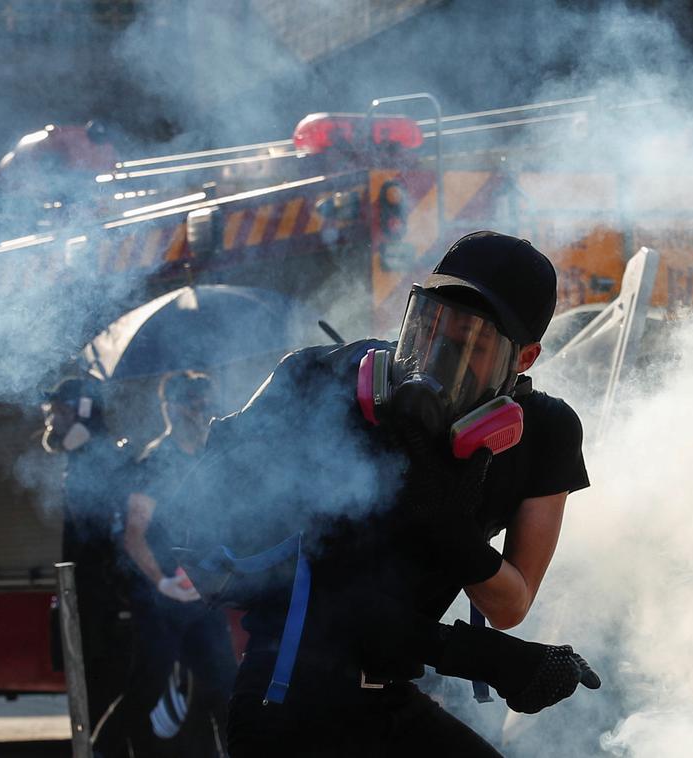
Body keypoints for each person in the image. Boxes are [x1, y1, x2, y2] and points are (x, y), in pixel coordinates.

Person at [174, 231, 599, 756]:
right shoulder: (325, 382)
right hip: (288, 700)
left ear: (525, 357)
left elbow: (511, 602)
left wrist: (447, 527)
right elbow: (336, 607)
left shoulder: (546, 431)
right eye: (431, 325)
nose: (437, 354)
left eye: (472, 341)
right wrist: (477, 653)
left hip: (390, 698)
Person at [95, 370, 237, 757]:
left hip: (202, 594)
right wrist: (162, 583)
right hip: (161, 599)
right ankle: (98, 751)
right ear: (171, 408)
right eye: (194, 402)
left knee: (225, 686)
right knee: (148, 686)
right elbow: (133, 535)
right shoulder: (155, 463)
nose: (202, 409)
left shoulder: (213, 459)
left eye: (206, 401)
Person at [40, 376, 132, 732]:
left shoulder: (98, 457)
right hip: (89, 606)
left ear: (81, 411)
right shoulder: (82, 455)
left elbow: (101, 531)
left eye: (58, 409)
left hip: (104, 611)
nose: (50, 417)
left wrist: (80, 451)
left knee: (104, 705)